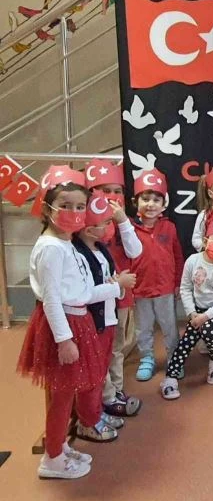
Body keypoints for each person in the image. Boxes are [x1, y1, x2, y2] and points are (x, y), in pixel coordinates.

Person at [17, 166, 130, 479]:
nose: (74, 212)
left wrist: (115, 287)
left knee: (65, 394)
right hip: (64, 324)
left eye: (80, 206)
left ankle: (59, 447)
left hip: (76, 318)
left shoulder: (65, 243)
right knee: (62, 396)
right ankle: (52, 459)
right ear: (47, 208)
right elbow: (53, 299)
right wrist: (64, 340)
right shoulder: (51, 248)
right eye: (65, 205)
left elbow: (83, 291)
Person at [72, 191, 137, 440]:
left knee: (101, 370)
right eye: (106, 223)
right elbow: (85, 293)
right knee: (92, 374)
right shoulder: (79, 254)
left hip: (108, 318)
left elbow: (105, 280)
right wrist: (118, 284)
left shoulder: (100, 249)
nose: (110, 227)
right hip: (92, 322)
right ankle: (88, 421)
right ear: (90, 230)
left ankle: (98, 411)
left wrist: (115, 283)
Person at [85, 159, 143, 417]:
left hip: (120, 297)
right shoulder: (86, 226)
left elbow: (135, 251)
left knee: (116, 347)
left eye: (117, 191)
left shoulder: (122, 222)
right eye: (105, 190)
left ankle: (116, 391)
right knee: (97, 350)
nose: (111, 196)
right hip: (94, 299)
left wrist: (122, 222)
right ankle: (103, 396)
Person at [160, 215, 213, 399]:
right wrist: (192, 313)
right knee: (185, 342)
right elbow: (185, 288)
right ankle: (171, 378)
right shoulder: (192, 261)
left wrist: (205, 317)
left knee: (209, 328)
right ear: (205, 240)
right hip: (196, 311)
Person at [130, 169, 184, 382]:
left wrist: (178, 282)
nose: (150, 204)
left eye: (156, 200)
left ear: (163, 204)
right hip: (140, 289)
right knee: (143, 328)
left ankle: (174, 358)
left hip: (165, 288)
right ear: (136, 202)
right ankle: (146, 358)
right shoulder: (130, 229)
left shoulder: (169, 227)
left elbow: (177, 256)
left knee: (169, 326)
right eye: (145, 199)